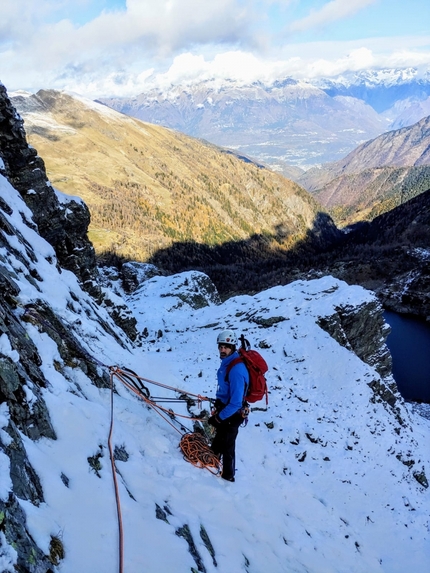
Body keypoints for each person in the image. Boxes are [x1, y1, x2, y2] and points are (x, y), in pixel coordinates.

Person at [208, 330, 249, 482]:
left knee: (228, 445)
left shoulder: (236, 370)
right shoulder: (228, 363)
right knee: (221, 437)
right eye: (220, 347)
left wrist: (218, 417)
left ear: (232, 347)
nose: (222, 350)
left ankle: (228, 477)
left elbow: (236, 402)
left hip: (233, 413)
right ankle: (212, 458)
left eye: (226, 347)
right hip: (226, 409)